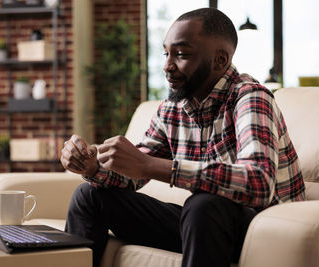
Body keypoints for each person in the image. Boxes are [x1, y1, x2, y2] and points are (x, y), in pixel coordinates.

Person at [60, 8, 305, 267]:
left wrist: (150, 166)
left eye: (182, 55)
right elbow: (136, 170)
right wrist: (93, 167)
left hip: (264, 229)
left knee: (204, 204)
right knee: (89, 195)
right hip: (201, 225)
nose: (167, 65)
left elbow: (259, 183)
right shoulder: (173, 108)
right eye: (166, 53)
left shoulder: (250, 97)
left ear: (220, 60)